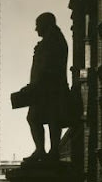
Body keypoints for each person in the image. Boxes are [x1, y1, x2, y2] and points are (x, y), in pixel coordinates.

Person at [22, 13, 71, 162]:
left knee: (50, 118)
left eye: (38, 25)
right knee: (41, 118)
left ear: (46, 24)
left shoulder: (54, 40)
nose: (36, 29)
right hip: (43, 89)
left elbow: (47, 67)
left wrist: (34, 85)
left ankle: (50, 150)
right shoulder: (49, 40)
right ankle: (43, 150)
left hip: (50, 89)